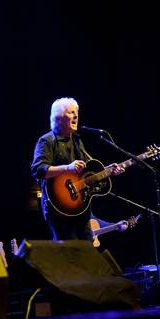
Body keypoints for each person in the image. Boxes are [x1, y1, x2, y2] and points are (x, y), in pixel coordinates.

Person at [30, 97, 124, 241]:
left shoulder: (77, 140)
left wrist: (108, 170)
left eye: (76, 113)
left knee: (86, 252)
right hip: (58, 210)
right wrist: (67, 167)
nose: (76, 116)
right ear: (59, 118)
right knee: (68, 253)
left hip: (82, 209)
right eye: (71, 113)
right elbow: (38, 170)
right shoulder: (47, 141)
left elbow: (89, 172)